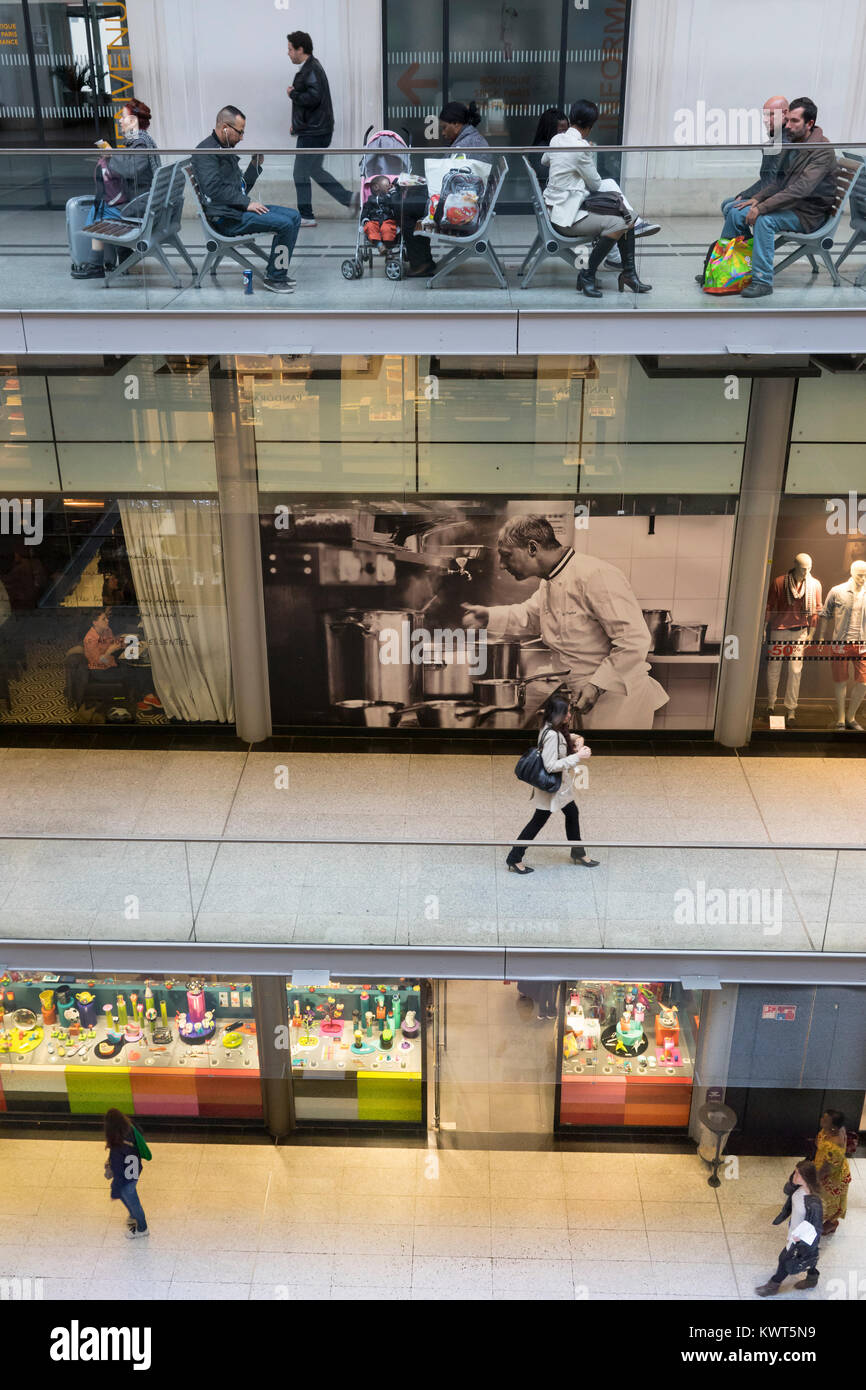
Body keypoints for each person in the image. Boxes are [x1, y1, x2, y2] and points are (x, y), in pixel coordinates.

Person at [462, 514, 669, 730]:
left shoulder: (595, 575)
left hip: (617, 701)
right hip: (583, 695)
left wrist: (597, 686)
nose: (502, 565)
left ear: (532, 548)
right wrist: (488, 616)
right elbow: (531, 616)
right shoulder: (550, 582)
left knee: (614, 763)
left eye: (506, 556)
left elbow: (633, 640)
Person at [713, 98, 836, 299]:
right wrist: (757, 198)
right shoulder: (797, 142)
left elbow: (800, 190)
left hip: (809, 214)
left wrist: (761, 208)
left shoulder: (821, 150)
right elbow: (780, 182)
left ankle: (761, 281)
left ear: (810, 123)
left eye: (794, 121)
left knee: (764, 219)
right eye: (787, 120)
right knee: (739, 211)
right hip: (793, 206)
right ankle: (725, 270)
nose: (787, 126)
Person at [542, 100, 658, 296]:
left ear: (571, 118)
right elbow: (595, 184)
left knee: (626, 217)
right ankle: (588, 274)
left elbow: (545, 160)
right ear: (590, 126)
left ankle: (629, 273)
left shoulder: (557, 139)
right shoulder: (580, 147)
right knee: (621, 223)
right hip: (566, 217)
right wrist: (586, 155)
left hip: (556, 207)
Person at [193, 105, 300, 294]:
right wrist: (247, 204)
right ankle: (275, 277)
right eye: (240, 132)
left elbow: (239, 187)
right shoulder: (206, 152)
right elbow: (214, 189)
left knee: (294, 217)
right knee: (285, 225)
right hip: (225, 219)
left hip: (236, 210)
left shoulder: (224, 147)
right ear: (225, 128)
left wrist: (254, 166)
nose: (242, 137)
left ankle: (278, 270)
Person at [505, 693, 596, 875]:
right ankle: (514, 857)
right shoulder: (552, 735)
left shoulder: (551, 727)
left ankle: (578, 851)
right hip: (551, 788)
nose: (570, 715)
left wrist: (576, 739)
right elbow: (551, 765)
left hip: (559, 787)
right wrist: (577, 757)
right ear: (558, 714)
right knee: (538, 821)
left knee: (572, 813)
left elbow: (564, 738)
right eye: (567, 712)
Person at [403, 100, 491, 278]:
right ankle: (417, 254)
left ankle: (420, 262)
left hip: (463, 209)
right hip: (465, 200)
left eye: (444, 128)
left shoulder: (464, 146)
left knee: (406, 207)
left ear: (457, 124)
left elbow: (449, 183)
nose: (442, 133)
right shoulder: (470, 139)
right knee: (411, 197)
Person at [75, 99, 160, 281]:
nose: (119, 121)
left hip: (142, 205)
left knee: (100, 209)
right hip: (147, 200)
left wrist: (112, 154)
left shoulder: (140, 143)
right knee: (104, 205)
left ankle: (95, 264)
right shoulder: (142, 139)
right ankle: (124, 254)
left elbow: (131, 169)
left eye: (123, 117)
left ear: (134, 120)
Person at [287, 30, 355, 228]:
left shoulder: (311, 70)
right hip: (316, 129)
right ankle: (349, 199)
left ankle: (306, 215)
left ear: (301, 49)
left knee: (300, 172)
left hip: (314, 132)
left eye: (290, 49)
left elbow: (313, 98)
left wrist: (293, 94)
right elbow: (313, 101)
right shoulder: (311, 68)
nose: (288, 53)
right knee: (314, 170)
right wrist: (297, 125)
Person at [764, 552, 822, 725]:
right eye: (803, 569)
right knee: (774, 667)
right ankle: (771, 702)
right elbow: (769, 606)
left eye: (809, 568)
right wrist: (763, 628)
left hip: (800, 632)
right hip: (779, 630)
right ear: (795, 566)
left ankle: (791, 708)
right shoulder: (780, 582)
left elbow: (815, 612)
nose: (806, 572)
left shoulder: (814, 585)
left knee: (795, 670)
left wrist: (811, 634)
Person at [755, 1161, 823, 1296]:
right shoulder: (798, 1188)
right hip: (794, 1228)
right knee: (810, 1257)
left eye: (798, 1173)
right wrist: (793, 1181)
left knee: (785, 1259)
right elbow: (787, 1190)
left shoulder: (813, 1203)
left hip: (800, 1237)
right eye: (795, 1171)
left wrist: (801, 1240)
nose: (794, 1175)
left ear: (806, 1177)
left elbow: (815, 1229)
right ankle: (812, 1278)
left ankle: (773, 1285)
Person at [816, 559, 866, 730]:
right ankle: (841, 719)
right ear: (852, 572)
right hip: (841, 643)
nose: (863, 579)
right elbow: (825, 614)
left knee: (863, 683)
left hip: (862, 644)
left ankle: (851, 717)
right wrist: (821, 636)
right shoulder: (837, 591)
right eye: (860, 575)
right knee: (840, 681)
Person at [721, 96, 789, 218]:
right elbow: (766, 179)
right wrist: (745, 194)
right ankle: (745, 237)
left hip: (776, 200)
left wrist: (748, 196)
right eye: (765, 115)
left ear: (785, 114)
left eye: (771, 115)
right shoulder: (776, 140)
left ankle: (745, 237)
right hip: (770, 194)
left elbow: (772, 183)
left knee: (731, 207)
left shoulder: (782, 144)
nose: (766, 120)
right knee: (728, 203)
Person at [104, 1108, 149, 1238]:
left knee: (131, 1199)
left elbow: (118, 1174)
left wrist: (114, 1192)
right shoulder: (131, 1126)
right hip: (135, 1169)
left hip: (126, 1175)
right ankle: (133, 1216)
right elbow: (141, 1132)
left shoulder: (117, 1146)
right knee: (130, 1196)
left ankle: (142, 1228)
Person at [814, 1108, 852, 1234]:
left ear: (834, 1127)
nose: (821, 1120)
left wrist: (816, 1180)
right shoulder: (831, 1130)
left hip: (831, 1177)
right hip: (825, 1167)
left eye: (825, 1120)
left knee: (829, 1201)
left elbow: (827, 1168)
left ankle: (831, 1223)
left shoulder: (835, 1145)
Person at [529, 108, 568, 186]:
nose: (565, 135)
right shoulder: (540, 150)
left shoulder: (553, 147)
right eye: (562, 131)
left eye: (566, 131)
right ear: (549, 130)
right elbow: (547, 178)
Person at [360, 174, 400, 249]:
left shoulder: (390, 198)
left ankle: (388, 249)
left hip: (387, 220)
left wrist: (394, 193)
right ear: (376, 187)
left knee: (387, 229)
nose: (389, 187)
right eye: (387, 185)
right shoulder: (369, 201)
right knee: (369, 226)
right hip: (373, 221)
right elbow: (365, 211)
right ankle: (379, 245)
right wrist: (365, 220)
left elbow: (395, 206)